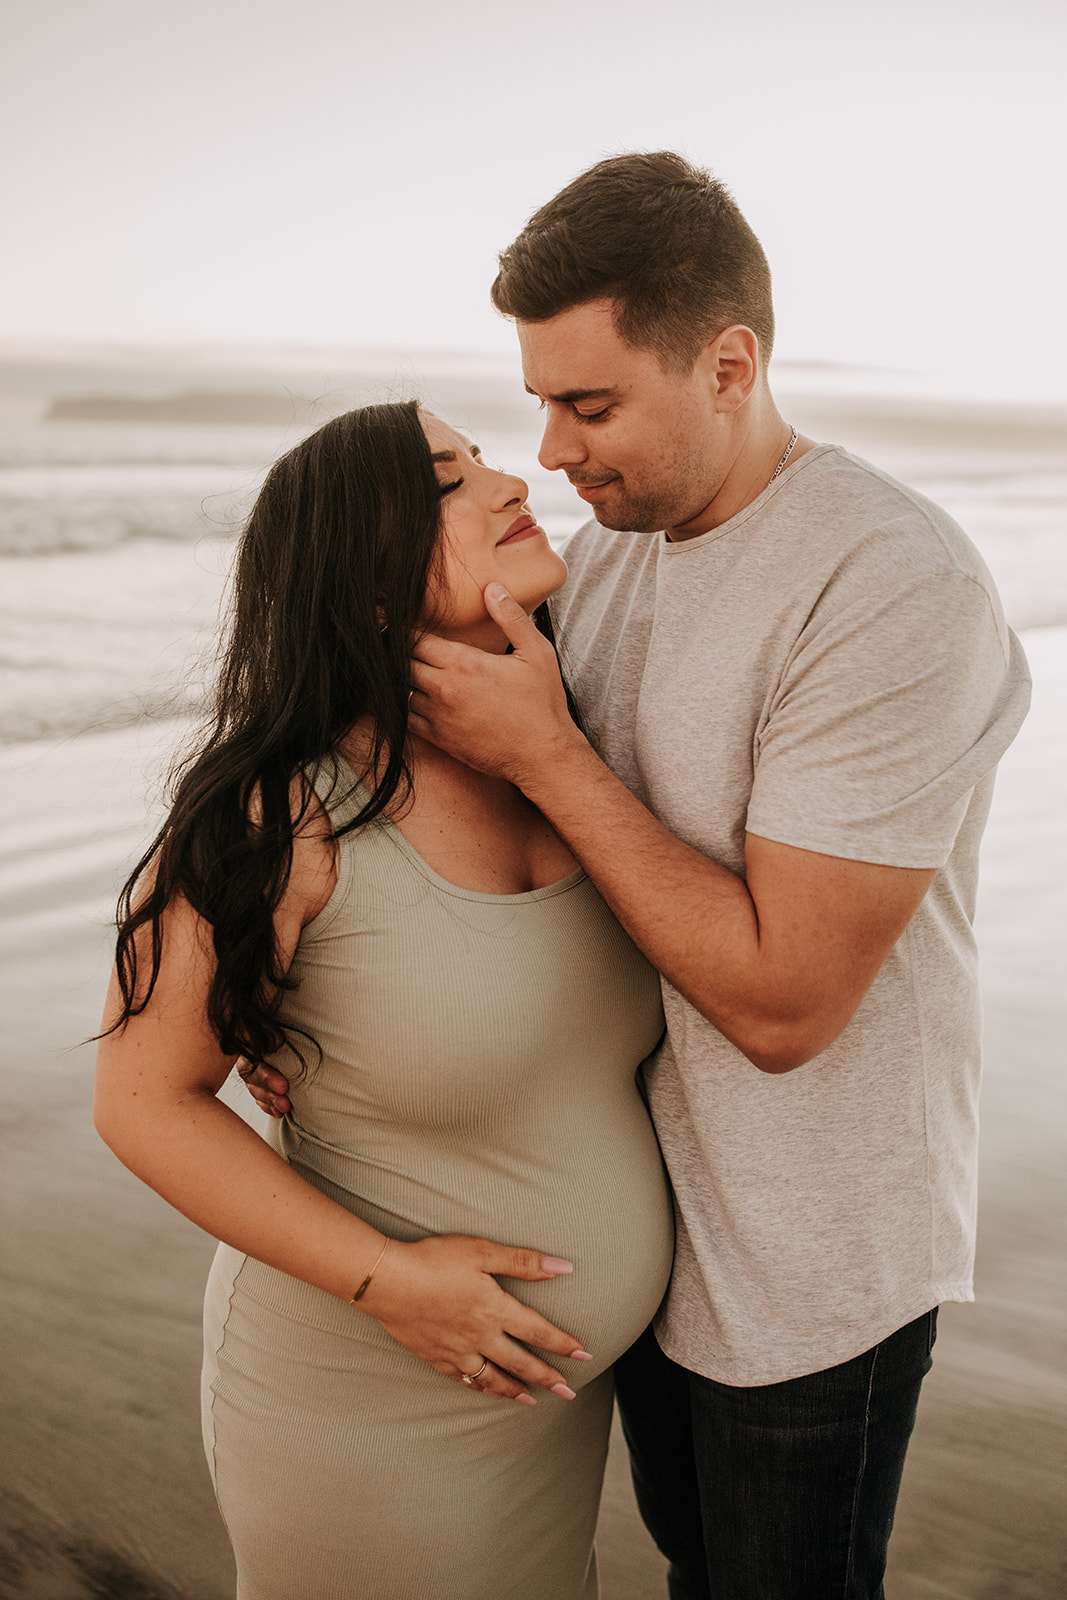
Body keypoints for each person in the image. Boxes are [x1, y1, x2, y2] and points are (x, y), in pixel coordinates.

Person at [389, 154, 1033, 1597]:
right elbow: (494, 840)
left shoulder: (883, 585)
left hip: (810, 1263)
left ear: (728, 362)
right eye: (540, 400)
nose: (547, 450)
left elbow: (783, 1003)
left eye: (589, 403)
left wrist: (551, 754)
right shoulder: (614, 553)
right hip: (640, 1226)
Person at [93, 400, 675, 1600]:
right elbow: (143, 1100)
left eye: (481, 457)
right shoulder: (276, 817)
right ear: (360, 579)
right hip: (363, 1399)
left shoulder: (564, 751)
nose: (508, 477)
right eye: (446, 478)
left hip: (549, 1412)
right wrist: (389, 1281)